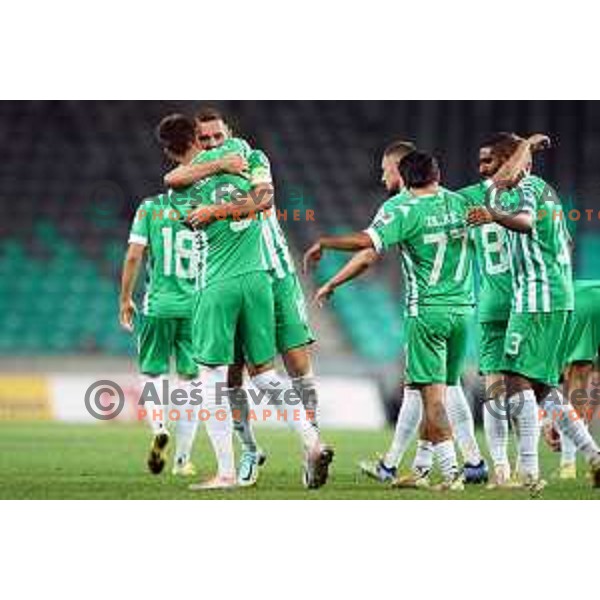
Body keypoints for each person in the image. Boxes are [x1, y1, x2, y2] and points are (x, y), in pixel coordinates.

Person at [157, 113, 331, 489]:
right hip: (256, 279)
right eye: (206, 138)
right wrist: (224, 169)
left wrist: (211, 207)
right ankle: (309, 442)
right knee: (265, 373)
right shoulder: (240, 157)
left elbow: (173, 181)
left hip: (221, 282)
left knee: (212, 379)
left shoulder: (185, 186)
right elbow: (261, 200)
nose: (214, 143)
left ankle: (226, 472)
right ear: (197, 139)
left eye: (219, 136)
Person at [305, 141, 486, 484]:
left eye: (385, 169)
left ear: (401, 171)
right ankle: (411, 466)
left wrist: (326, 243)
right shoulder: (461, 200)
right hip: (464, 311)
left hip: (427, 312)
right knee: (430, 389)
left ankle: (452, 473)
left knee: (432, 396)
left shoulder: (400, 209)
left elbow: (367, 246)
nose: (381, 174)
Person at [468, 134, 600, 491]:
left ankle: (528, 472)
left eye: (491, 162)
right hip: (552, 296)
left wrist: (494, 214)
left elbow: (525, 221)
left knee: (512, 380)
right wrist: (527, 146)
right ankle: (594, 455)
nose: (486, 171)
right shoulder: (512, 190)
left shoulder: (530, 186)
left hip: (538, 299)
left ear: (512, 161)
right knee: (541, 390)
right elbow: (564, 240)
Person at [119, 191, 199, 477]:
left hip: (158, 306)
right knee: (191, 382)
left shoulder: (150, 207)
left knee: (153, 374)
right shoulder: (205, 206)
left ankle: (159, 428)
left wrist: (125, 299)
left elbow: (133, 256)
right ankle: (182, 461)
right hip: (195, 308)